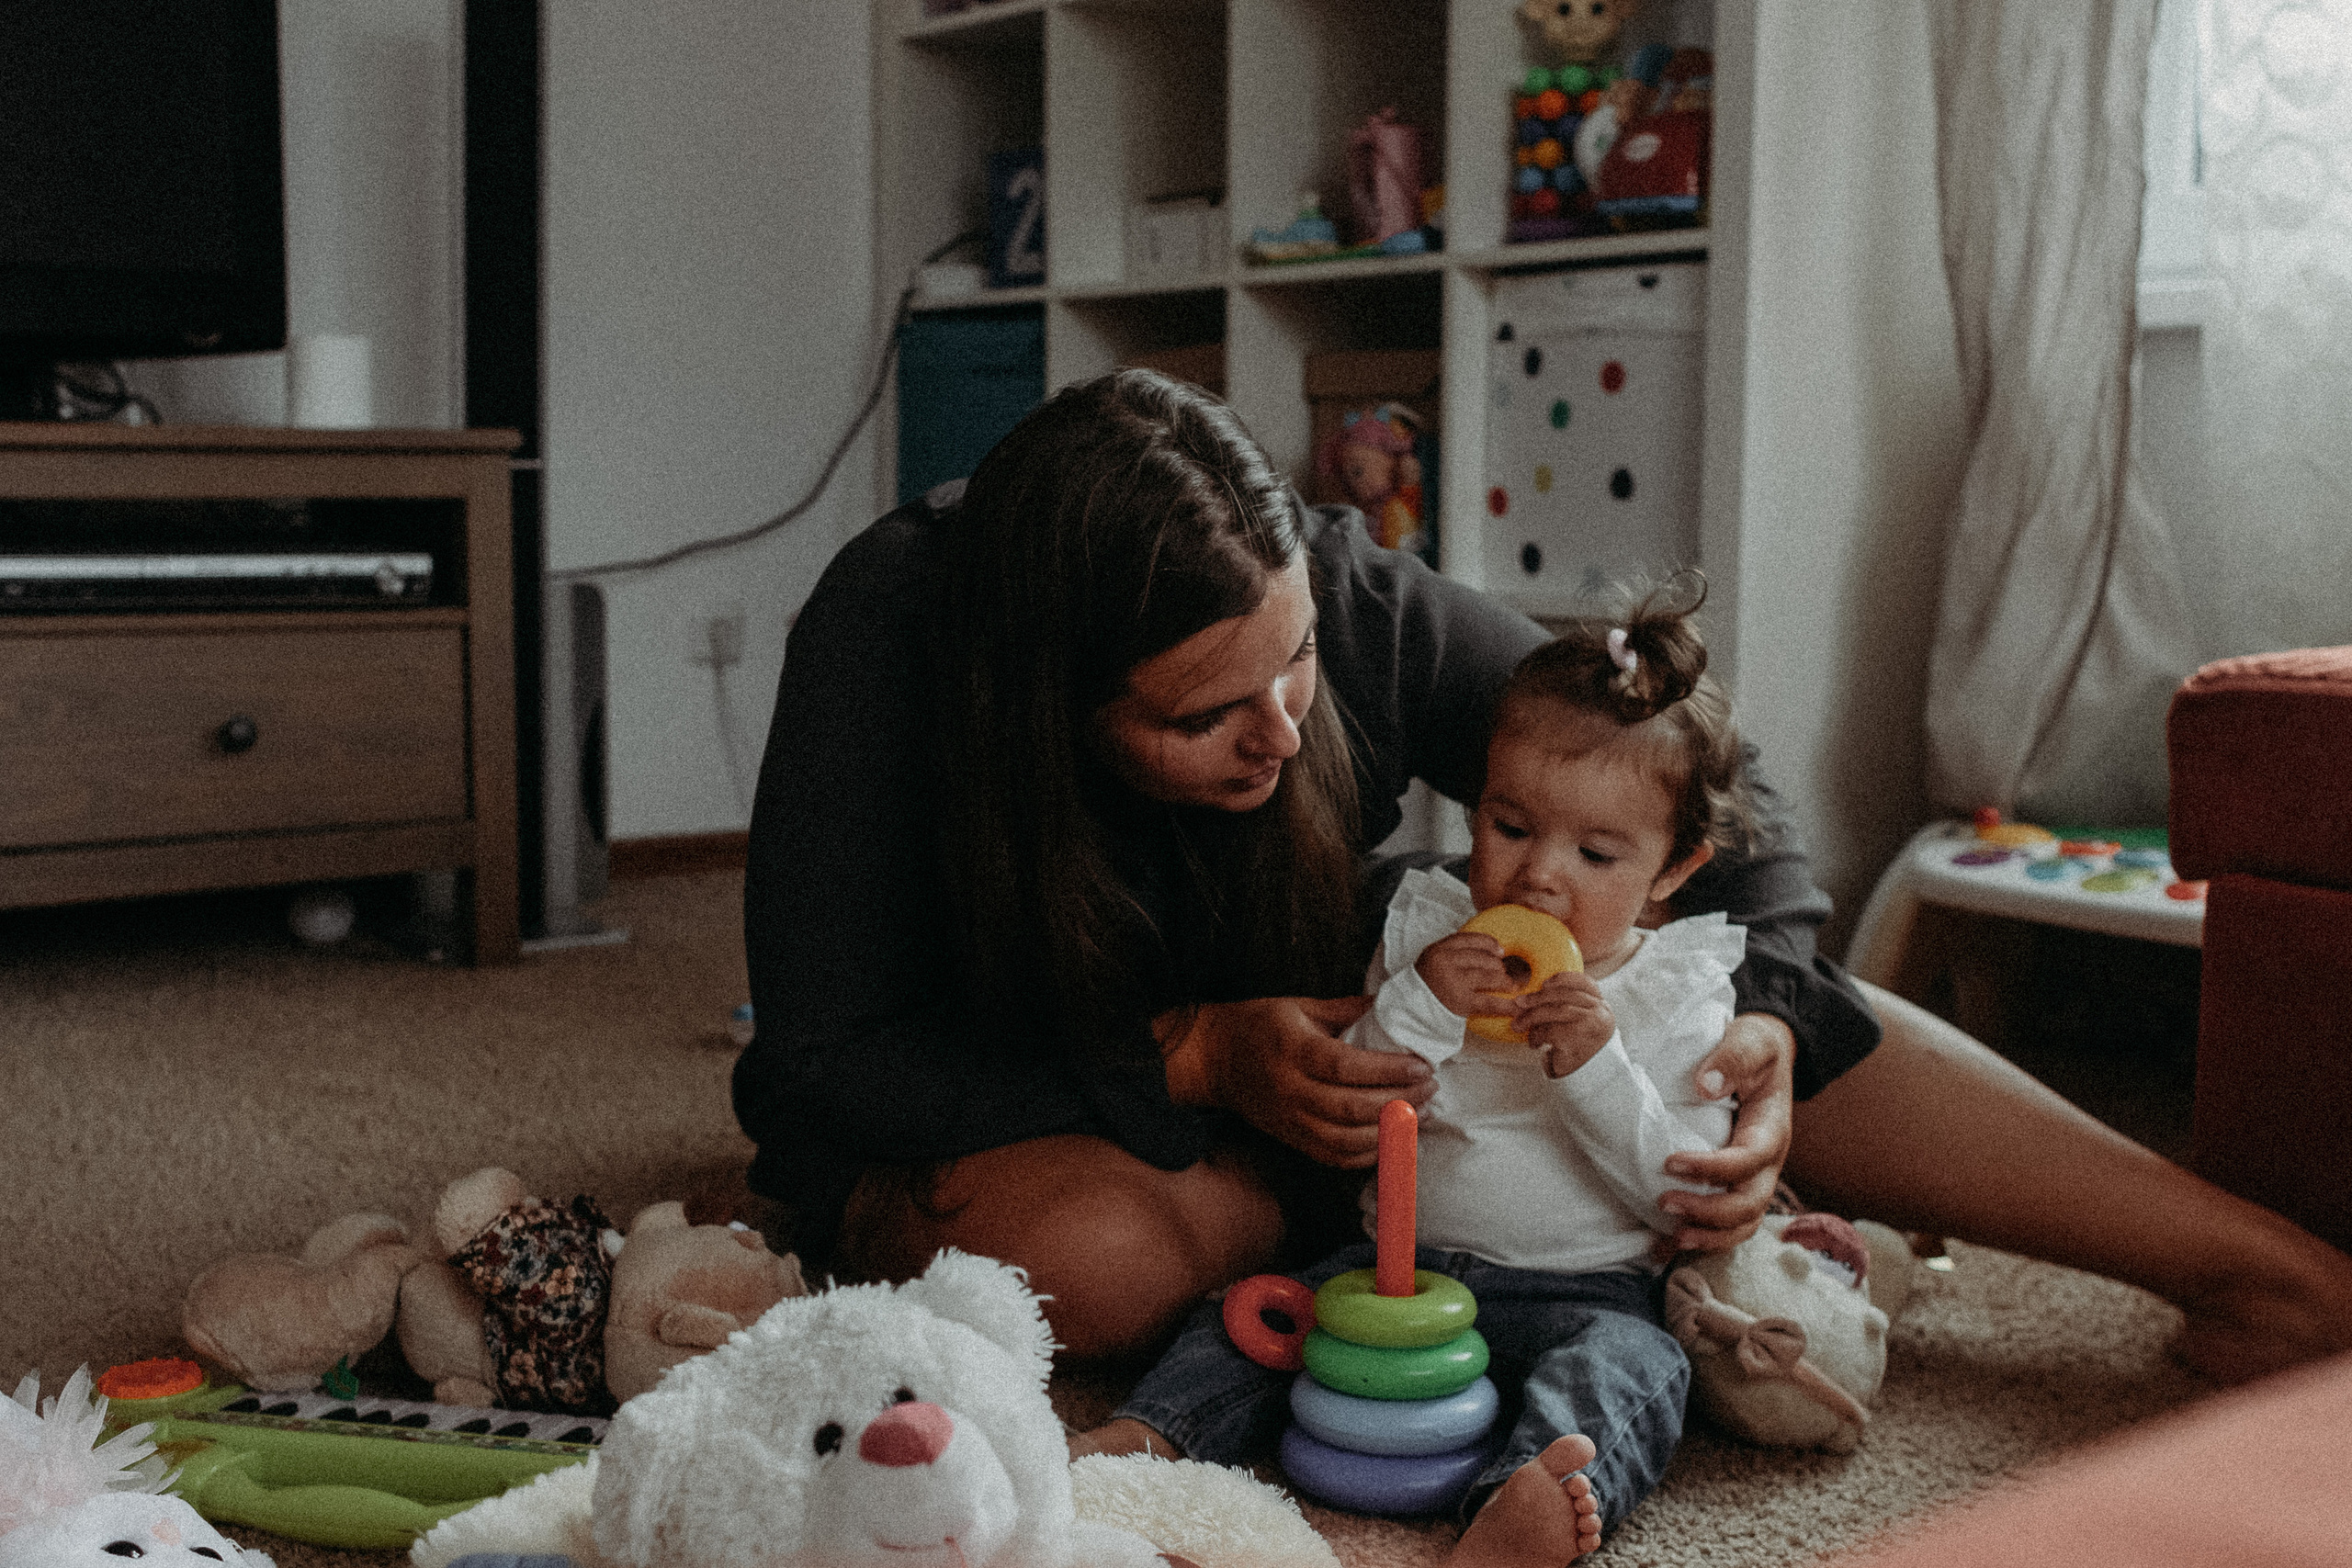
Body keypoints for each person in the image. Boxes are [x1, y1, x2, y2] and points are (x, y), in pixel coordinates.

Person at [735, 367, 2352, 1393]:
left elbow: (1707, 788)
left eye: (1294, 666)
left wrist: (1773, 1029)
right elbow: (826, 1057)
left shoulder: (1325, 589)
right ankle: (1441, 1229)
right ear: (1056, 704)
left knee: (1677, 988)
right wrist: (1196, 1052)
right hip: (1051, 1090)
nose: (1278, 730)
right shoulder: (889, 647)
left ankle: (2272, 1274)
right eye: (1204, 715)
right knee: (1088, 1264)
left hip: (1369, 1046)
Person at [1090, 589, 1758, 1562]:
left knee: (1637, 1371)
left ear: (1671, 870)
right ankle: (1143, 1441)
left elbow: (1676, 1197)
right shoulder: (1430, 931)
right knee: (1248, 1316)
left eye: (1596, 853)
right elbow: (1360, 1094)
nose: (1539, 877)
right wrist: (1424, 1001)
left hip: (1583, 1289)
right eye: (1510, 825)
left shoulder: (1678, 992)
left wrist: (1595, 1068)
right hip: (1398, 1267)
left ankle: (1513, 1513)